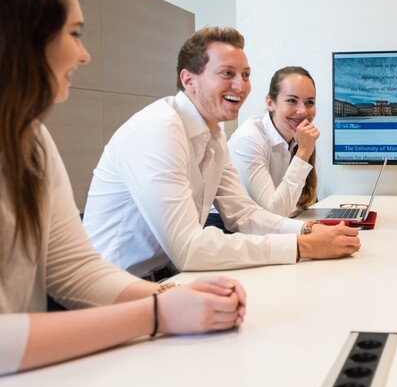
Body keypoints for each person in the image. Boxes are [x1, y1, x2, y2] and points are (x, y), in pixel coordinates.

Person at [0, 0, 246, 376]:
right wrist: (158, 312)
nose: (84, 56)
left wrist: (174, 296)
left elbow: (75, 270)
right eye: (74, 34)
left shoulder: (33, 140)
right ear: (23, 33)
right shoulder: (158, 128)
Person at [82, 27, 360, 279]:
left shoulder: (214, 135)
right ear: (189, 81)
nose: (241, 86)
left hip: (165, 275)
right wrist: (303, 245)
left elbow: (245, 215)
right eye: (227, 73)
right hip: (111, 287)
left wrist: (307, 230)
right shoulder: (159, 130)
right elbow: (188, 248)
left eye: (246, 75)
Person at [227, 66, 319, 218]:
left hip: (265, 228)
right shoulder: (249, 139)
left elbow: (298, 203)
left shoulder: (298, 138)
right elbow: (272, 214)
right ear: (270, 103)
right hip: (224, 229)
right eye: (291, 100)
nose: (303, 111)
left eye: (309, 102)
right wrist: (303, 153)